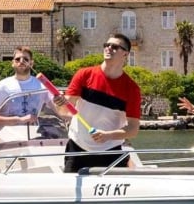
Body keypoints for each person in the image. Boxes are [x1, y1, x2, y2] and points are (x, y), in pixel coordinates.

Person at [58, 33, 142, 172]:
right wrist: (59, 103)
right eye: (106, 45)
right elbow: (64, 111)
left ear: (125, 54)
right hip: (77, 147)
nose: (108, 48)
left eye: (114, 47)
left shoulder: (131, 89)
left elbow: (133, 129)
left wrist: (108, 135)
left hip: (109, 150)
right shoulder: (84, 75)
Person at [0, 47, 47, 132]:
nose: (21, 61)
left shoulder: (42, 86)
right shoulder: (2, 86)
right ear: (13, 63)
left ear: (31, 63)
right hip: (8, 139)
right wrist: (19, 120)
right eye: (17, 59)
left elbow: (58, 109)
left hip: (35, 137)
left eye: (25, 59)